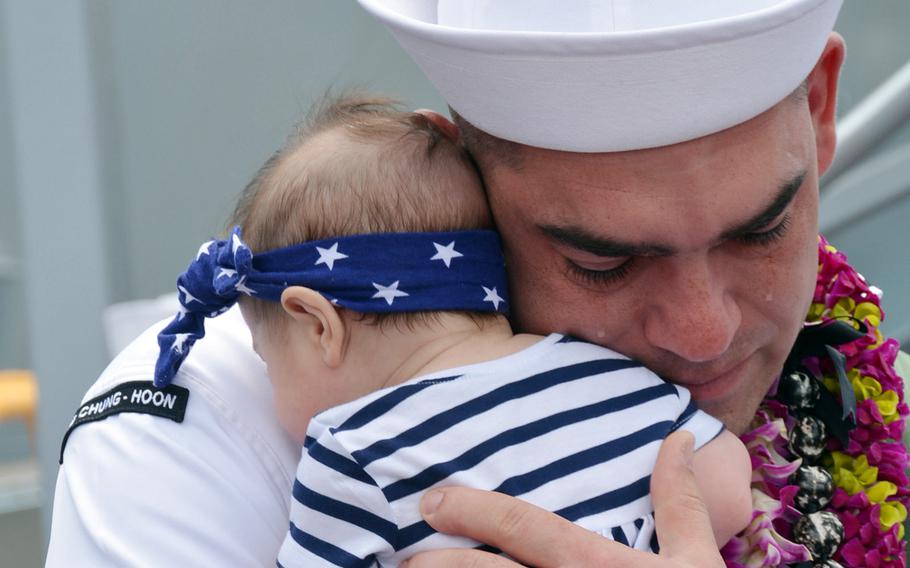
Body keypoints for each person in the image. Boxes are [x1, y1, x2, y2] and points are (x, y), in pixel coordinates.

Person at [45, 1, 910, 567]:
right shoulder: (193, 438)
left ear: (822, 108)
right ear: (459, 173)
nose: (704, 331)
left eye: (761, 231)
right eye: (601, 262)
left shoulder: (860, 379)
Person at [151, 97, 749, 566]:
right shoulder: (612, 370)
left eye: (265, 358)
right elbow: (727, 491)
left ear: (318, 326)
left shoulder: (348, 451)